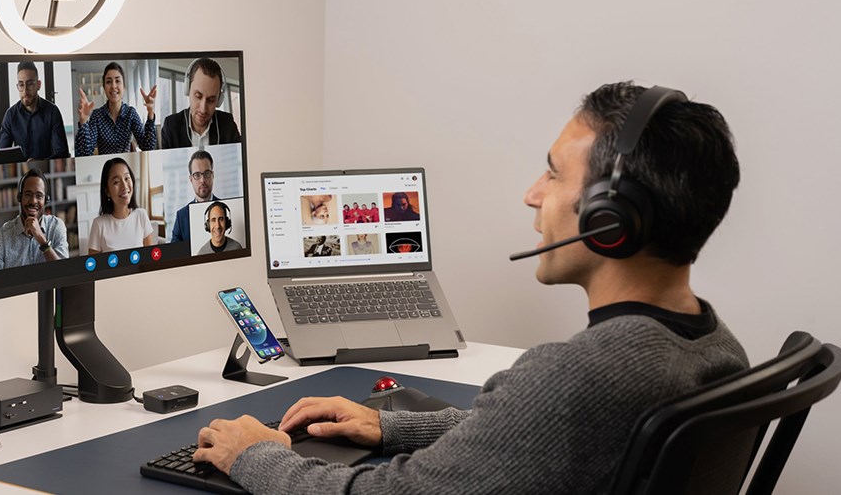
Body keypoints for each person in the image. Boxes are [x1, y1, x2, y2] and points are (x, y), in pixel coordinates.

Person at [191, 82, 748, 494]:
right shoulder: (716, 347)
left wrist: (256, 454)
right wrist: (388, 425)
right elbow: (538, 435)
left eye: (553, 174)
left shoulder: (572, 377)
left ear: (611, 216)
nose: (533, 195)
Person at [0, 168, 69, 271]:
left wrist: (41, 239)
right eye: (28, 195)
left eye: (39, 196)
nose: (33, 201)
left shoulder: (56, 226)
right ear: (19, 198)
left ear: (46, 200)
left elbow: (64, 272)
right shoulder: (1, 236)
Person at [75, 62, 157, 155]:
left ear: (124, 87)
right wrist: (83, 121)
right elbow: (85, 152)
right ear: (104, 88)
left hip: (125, 166)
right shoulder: (97, 115)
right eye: (109, 82)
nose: (113, 86)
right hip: (105, 166)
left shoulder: (131, 113)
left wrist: (150, 113)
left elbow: (147, 147)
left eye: (117, 81)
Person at [160, 58, 243, 149]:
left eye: (211, 100)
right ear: (187, 90)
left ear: (219, 100)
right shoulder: (171, 126)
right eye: (198, 96)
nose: (203, 109)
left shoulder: (227, 124)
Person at [0, 61, 71, 160]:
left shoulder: (52, 112)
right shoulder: (10, 115)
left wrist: (39, 162)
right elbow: (2, 154)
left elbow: (62, 153)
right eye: (21, 85)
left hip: (47, 172)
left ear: (38, 85)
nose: (25, 91)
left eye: (30, 84)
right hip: (21, 173)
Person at [87, 157, 156, 253]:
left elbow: (151, 256)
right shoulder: (99, 224)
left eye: (127, 178)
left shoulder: (141, 215)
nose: (124, 186)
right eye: (116, 182)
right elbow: (93, 265)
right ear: (107, 191)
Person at [171, 150, 221, 243]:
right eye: (197, 175)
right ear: (191, 179)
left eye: (207, 173)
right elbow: (174, 252)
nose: (202, 180)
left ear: (212, 175)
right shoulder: (181, 216)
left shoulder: (227, 208)